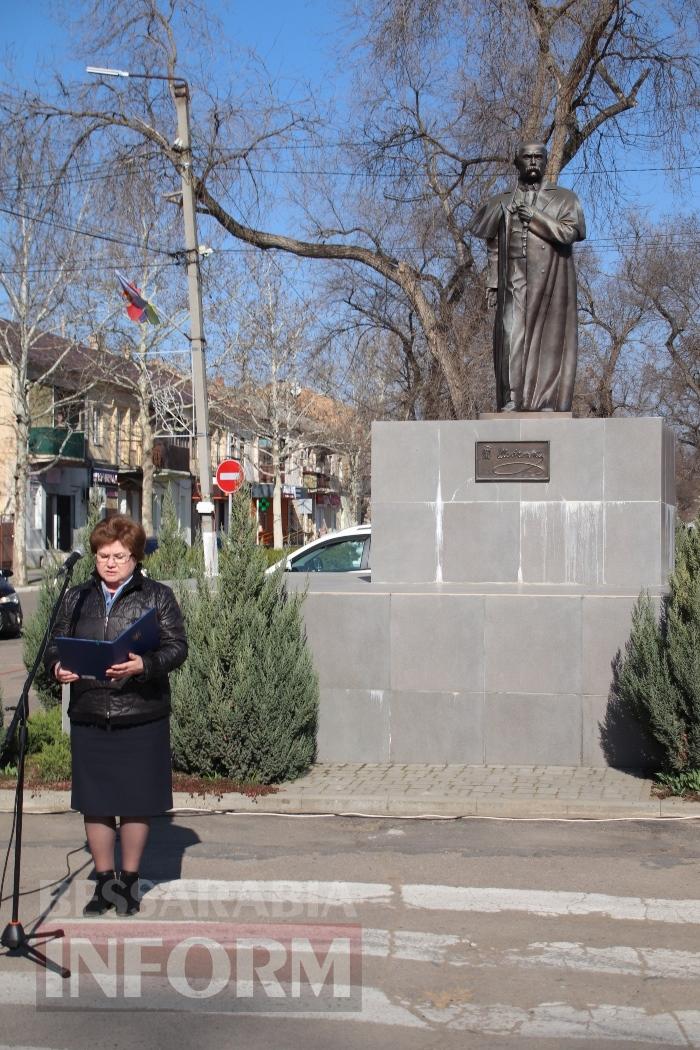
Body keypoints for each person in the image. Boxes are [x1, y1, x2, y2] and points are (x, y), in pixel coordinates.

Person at [45, 515, 188, 916]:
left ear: (136, 558)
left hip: (141, 713)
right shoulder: (75, 598)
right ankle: (104, 883)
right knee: (97, 802)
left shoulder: (157, 596)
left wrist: (144, 665)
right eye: (103, 555)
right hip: (91, 711)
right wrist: (58, 668)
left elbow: (177, 647)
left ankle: (128, 881)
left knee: (135, 801)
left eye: (119, 556)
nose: (110, 563)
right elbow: (54, 646)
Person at [470, 142, 586, 412]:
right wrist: (493, 282)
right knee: (511, 335)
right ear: (517, 162)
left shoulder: (565, 199)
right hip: (514, 276)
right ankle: (512, 398)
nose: (533, 162)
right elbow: (494, 246)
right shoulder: (502, 201)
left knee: (549, 339)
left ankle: (546, 400)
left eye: (538, 157)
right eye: (527, 157)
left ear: (545, 162)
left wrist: (536, 218)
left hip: (550, 278)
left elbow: (570, 233)